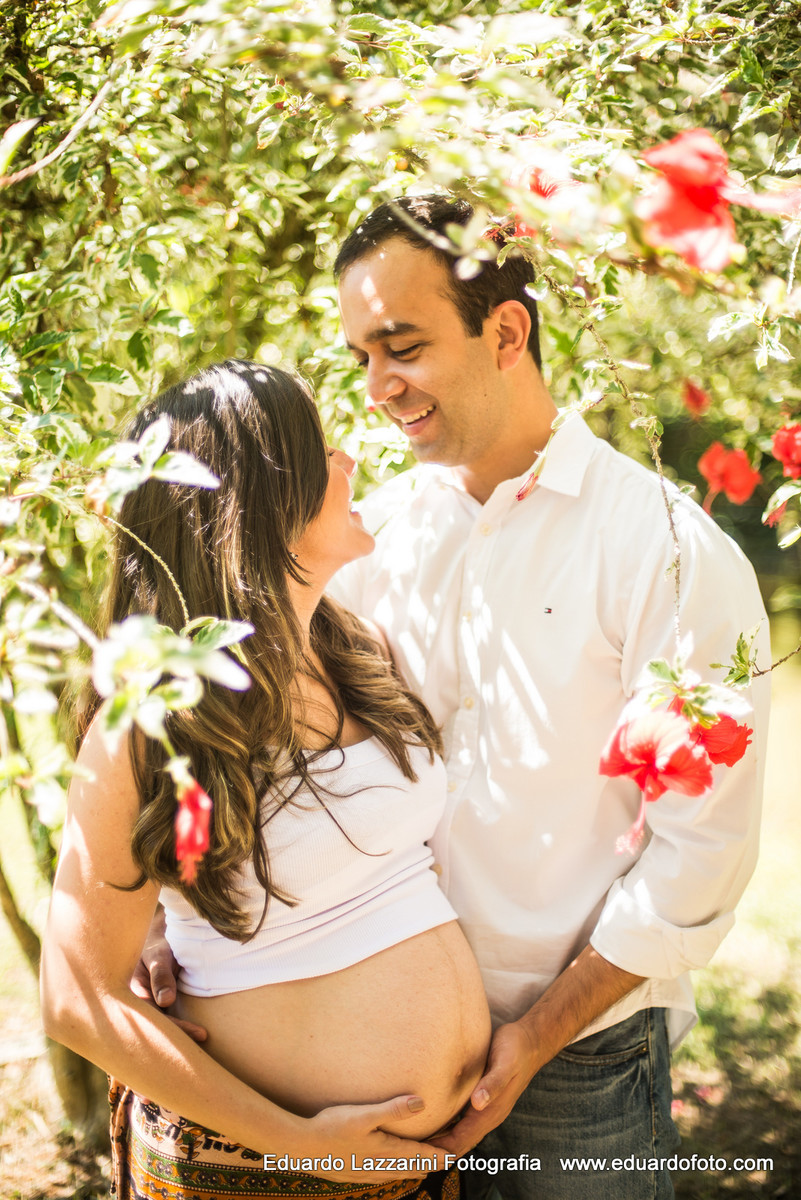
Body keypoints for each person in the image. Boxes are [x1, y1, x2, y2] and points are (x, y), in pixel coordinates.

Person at [139, 196, 771, 1199]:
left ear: (506, 330)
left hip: (581, 1065)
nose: (380, 387)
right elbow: (244, 745)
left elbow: (702, 853)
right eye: (362, 357)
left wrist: (538, 1032)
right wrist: (153, 925)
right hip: (373, 1089)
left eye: (403, 346)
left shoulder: (670, 551)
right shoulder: (364, 543)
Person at [40, 360, 492, 1200]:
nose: (350, 460)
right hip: (259, 1171)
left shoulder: (354, 652)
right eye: (323, 452)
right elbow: (76, 996)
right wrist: (303, 1145)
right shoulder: (148, 728)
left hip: (415, 1170)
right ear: (259, 501)